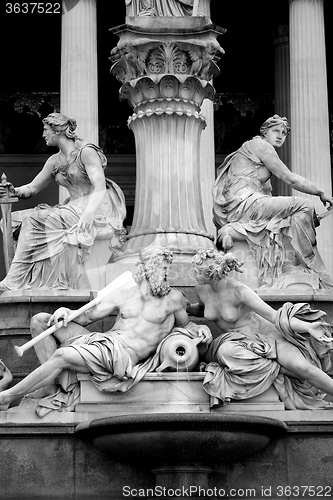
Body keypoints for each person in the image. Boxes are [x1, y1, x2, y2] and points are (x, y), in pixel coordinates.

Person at [0, 247, 211, 416]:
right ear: (148, 268)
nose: (167, 273)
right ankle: (53, 385)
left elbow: (186, 327)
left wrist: (201, 328)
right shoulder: (124, 293)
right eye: (163, 268)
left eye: (168, 268)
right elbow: (86, 317)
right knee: (40, 322)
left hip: (121, 355)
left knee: (62, 355)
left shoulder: (173, 299)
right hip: (105, 341)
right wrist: (65, 311)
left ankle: (6, 397)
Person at [188, 248, 333, 410]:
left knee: (303, 368)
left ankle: (284, 369)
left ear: (212, 272)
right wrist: (186, 308)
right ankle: (279, 369)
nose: (194, 274)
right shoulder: (201, 289)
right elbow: (205, 310)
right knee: (225, 352)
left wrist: (308, 327)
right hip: (237, 343)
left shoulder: (239, 291)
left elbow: (275, 316)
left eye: (198, 271)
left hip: (267, 337)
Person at [0, 112, 127, 291]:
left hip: (93, 207)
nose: (43, 135)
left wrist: (88, 215)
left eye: (45, 130)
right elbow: (33, 188)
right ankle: (26, 279)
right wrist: (15, 191)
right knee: (12, 221)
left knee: (34, 220)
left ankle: (14, 279)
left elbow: (100, 188)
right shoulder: (54, 161)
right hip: (70, 209)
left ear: (57, 130)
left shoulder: (87, 152)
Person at [212, 114, 333, 288]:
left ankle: (291, 264)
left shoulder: (253, 151)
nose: (280, 136)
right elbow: (289, 178)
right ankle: (312, 266)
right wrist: (321, 192)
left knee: (288, 218)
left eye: (284, 133)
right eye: (275, 131)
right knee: (304, 205)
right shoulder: (261, 145)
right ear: (264, 132)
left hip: (243, 203)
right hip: (244, 203)